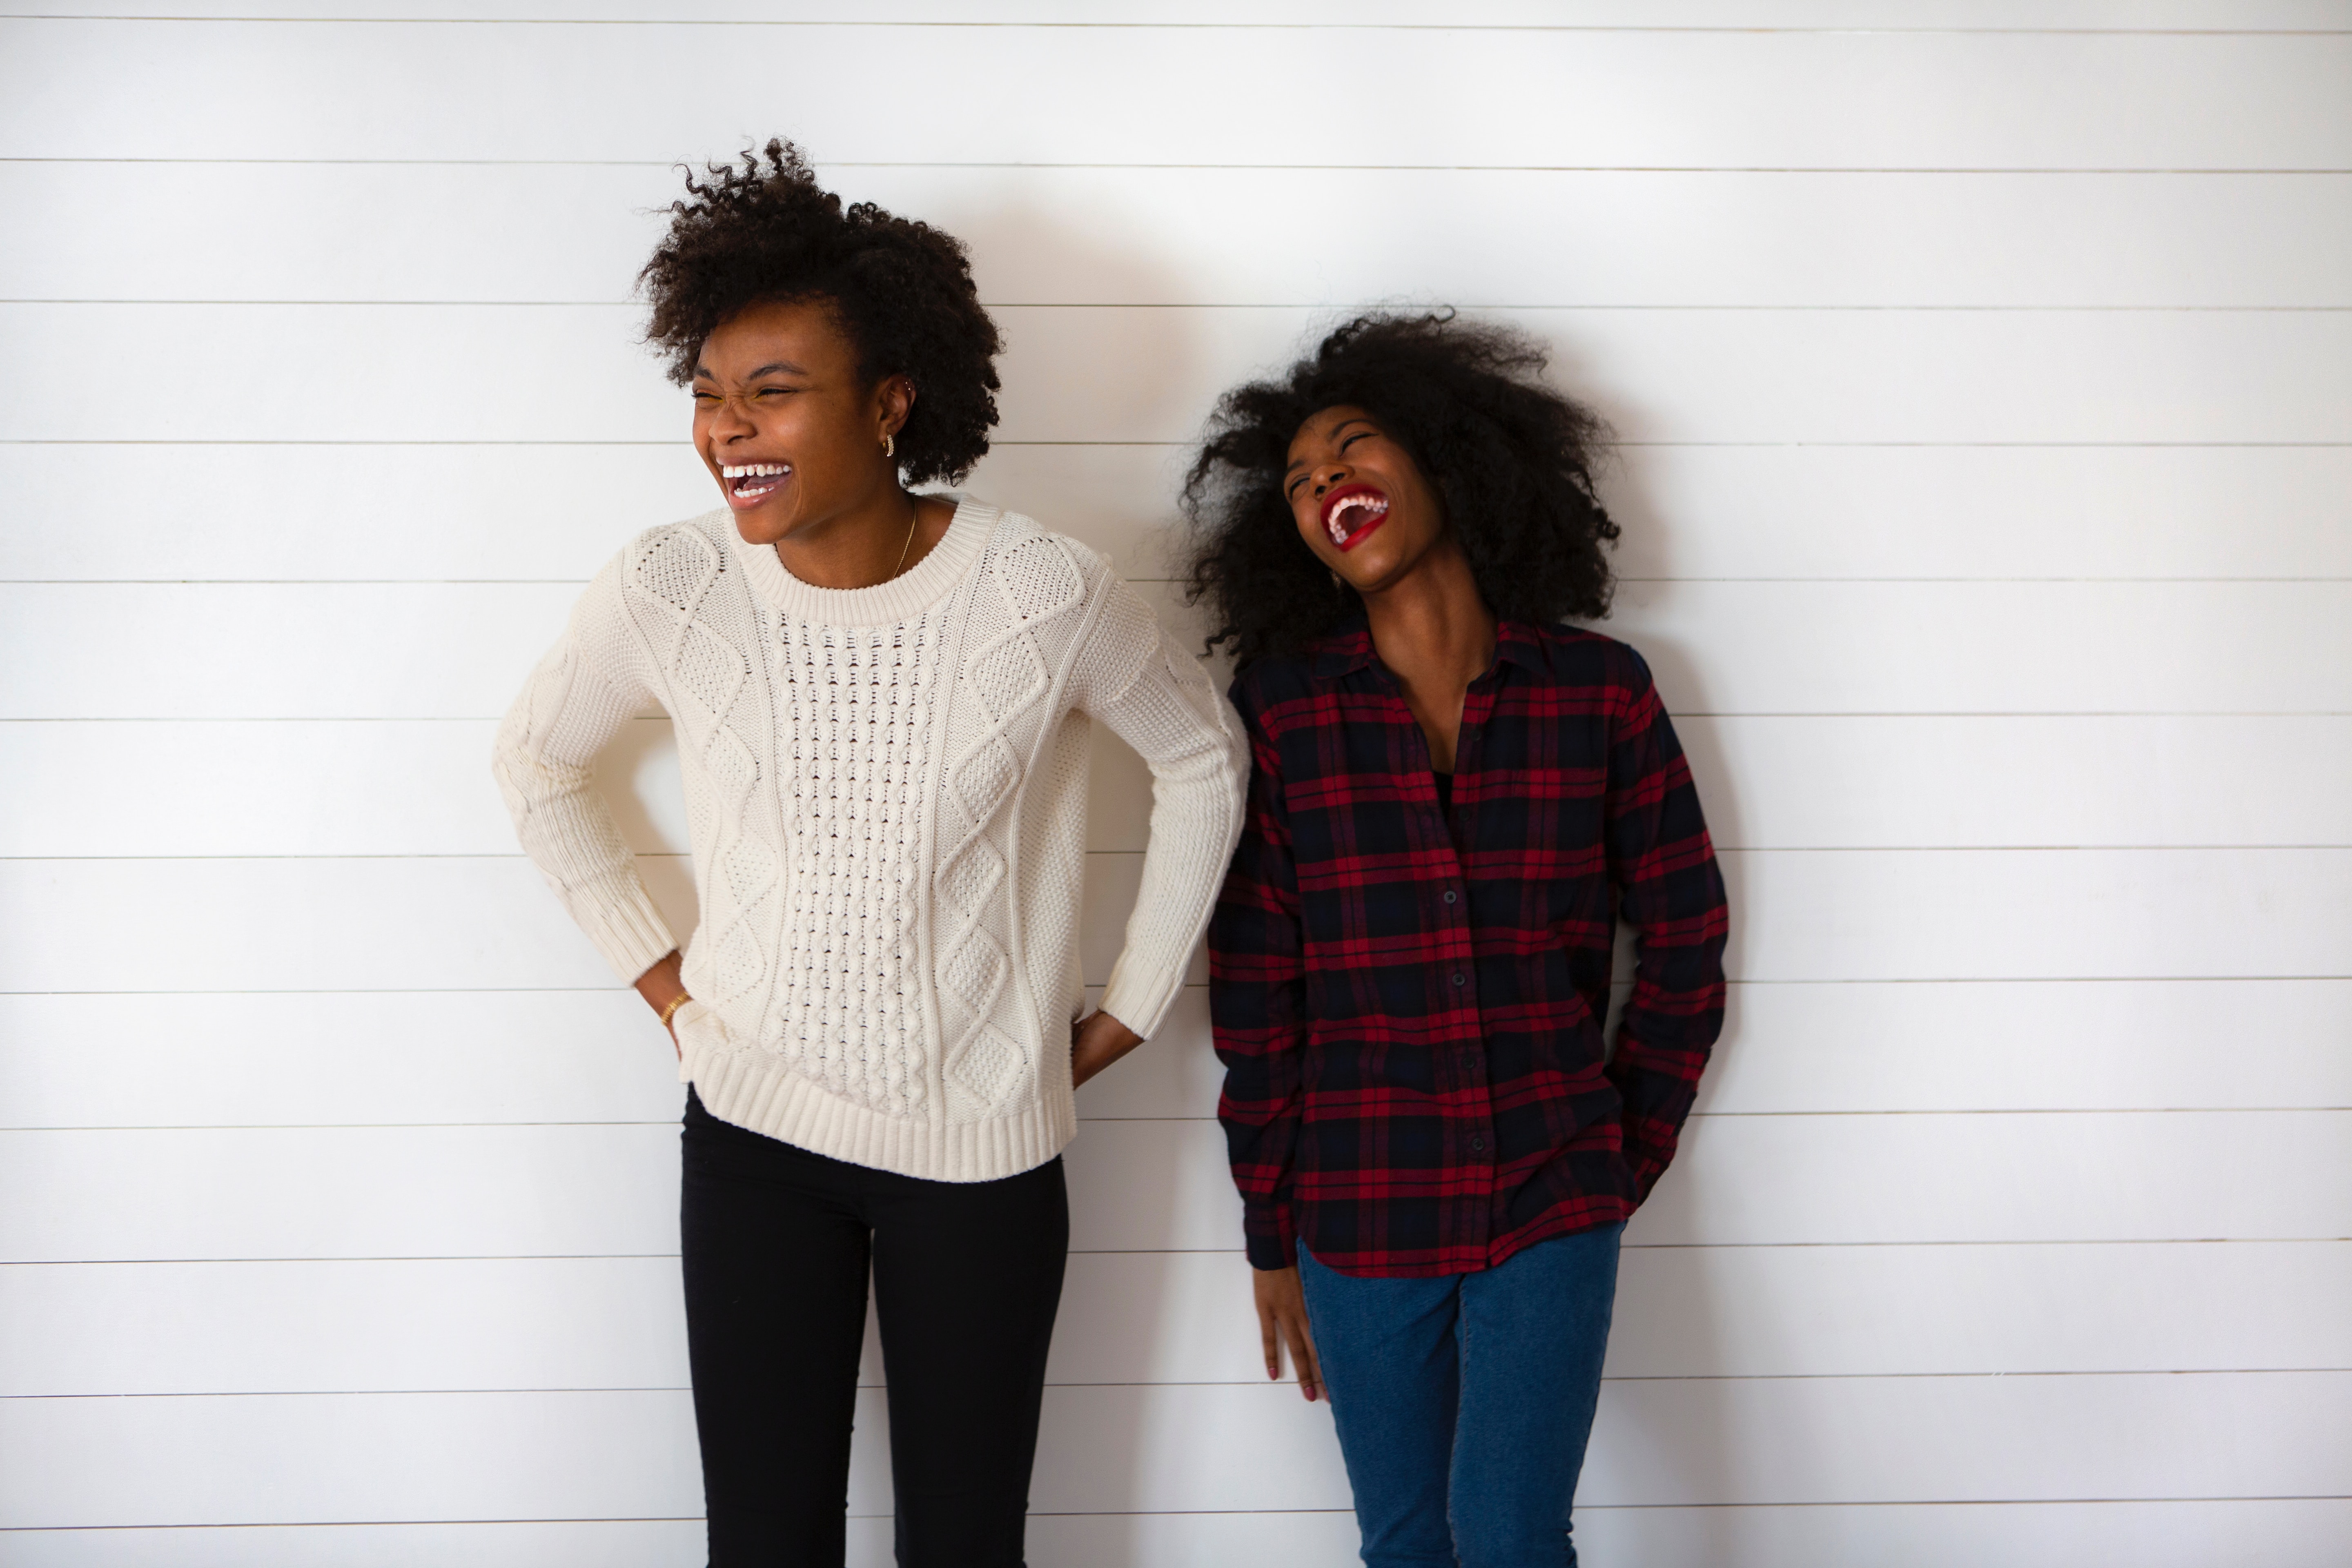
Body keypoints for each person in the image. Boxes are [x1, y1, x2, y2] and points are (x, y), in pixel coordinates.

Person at [492, 140, 1246, 1567]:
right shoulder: (674, 583)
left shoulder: (1043, 593)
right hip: (755, 1137)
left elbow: (1204, 757)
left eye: (773, 390)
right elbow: (534, 761)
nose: (728, 430)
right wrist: (666, 989)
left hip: (987, 1156)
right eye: (708, 395)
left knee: (966, 1548)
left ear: (891, 402)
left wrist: (1135, 1004)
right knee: (765, 1545)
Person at [1183, 312, 1728, 1568]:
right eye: (1302, 483)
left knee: (1512, 1534)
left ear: (1448, 462)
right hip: (1360, 1208)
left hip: (1555, 1189)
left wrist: (1617, 1153)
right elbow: (1260, 993)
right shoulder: (1283, 718)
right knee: (1408, 1544)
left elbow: (1687, 938)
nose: (1325, 484)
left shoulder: (1601, 694)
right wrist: (1272, 1230)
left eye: (1353, 449)